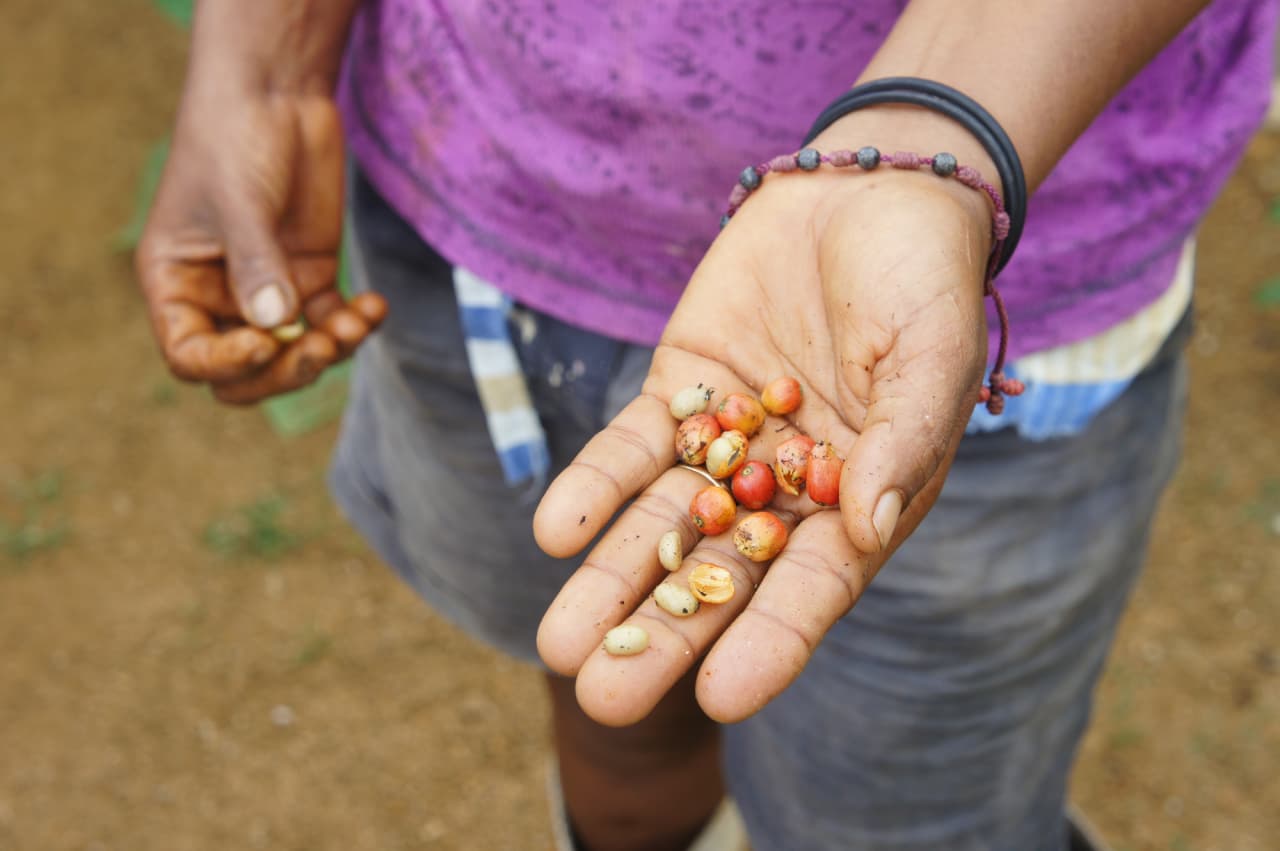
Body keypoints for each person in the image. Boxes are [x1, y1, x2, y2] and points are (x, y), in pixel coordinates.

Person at [135, 1, 1277, 849]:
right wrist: (264, 61)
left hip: (988, 281)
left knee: (916, 811)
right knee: (614, 716)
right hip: (479, 204)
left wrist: (933, 130)